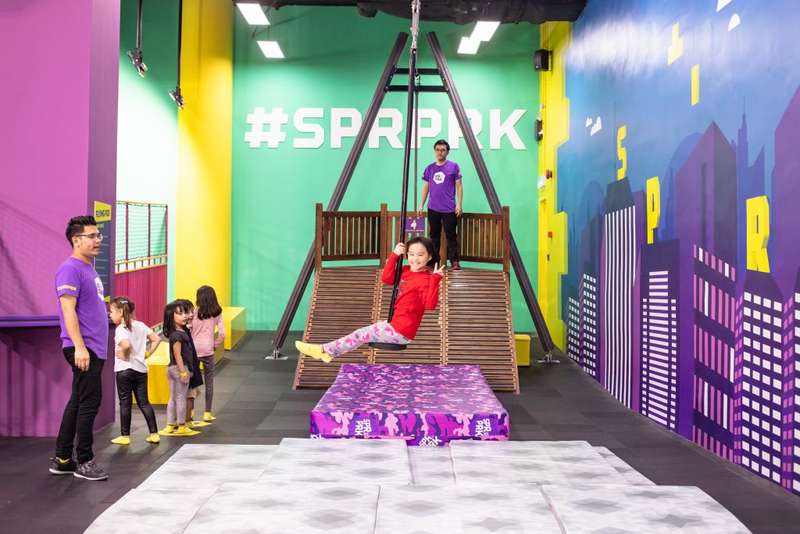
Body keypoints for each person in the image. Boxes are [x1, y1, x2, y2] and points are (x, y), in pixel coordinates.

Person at [296, 236, 444, 361]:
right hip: (394, 324)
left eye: (420, 255)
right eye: (411, 254)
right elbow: (386, 279)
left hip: (402, 330)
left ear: (429, 257)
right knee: (361, 333)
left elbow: (430, 305)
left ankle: (324, 350)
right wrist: (394, 255)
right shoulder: (404, 270)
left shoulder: (426, 279)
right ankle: (328, 353)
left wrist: (435, 280)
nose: (415, 259)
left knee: (360, 334)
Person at [50, 215, 110, 481]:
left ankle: (63, 458)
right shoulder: (70, 269)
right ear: (76, 240)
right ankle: (85, 461)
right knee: (89, 403)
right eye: (92, 236)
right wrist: (80, 347)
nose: (98, 240)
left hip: (92, 346)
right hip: (84, 348)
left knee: (77, 401)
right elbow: (68, 310)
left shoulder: (88, 268)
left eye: (98, 235)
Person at [108, 297, 161, 445]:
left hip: (124, 370)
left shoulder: (121, 329)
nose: (110, 314)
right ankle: (154, 433)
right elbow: (156, 339)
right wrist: (147, 353)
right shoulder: (141, 325)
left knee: (125, 403)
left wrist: (125, 355)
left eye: (112, 311)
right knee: (144, 402)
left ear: (120, 312)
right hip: (140, 369)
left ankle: (125, 436)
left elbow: (126, 345)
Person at [418, 139, 463, 270]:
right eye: (437, 150)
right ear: (434, 151)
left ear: (447, 152)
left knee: (451, 236)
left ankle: (454, 261)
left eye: (443, 150)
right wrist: (421, 204)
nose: (440, 152)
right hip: (433, 208)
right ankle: (434, 262)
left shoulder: (454, 167)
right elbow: (426, 187)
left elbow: (459, 186)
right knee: (434, 236)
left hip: (449, 209)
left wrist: (459, 205)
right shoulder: (429, 168)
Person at [159, 300, 200, 436]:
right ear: (171, 316)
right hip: (179, 368)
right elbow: (178, 355)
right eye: (180, 313)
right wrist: (183, 371)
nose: (184, 316)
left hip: (172, 369)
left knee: (173, 398)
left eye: (185, 313)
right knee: (181, 397)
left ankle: (170, 425)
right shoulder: (178, 335)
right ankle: (181, 425)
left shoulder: (178, 332)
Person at [190, 285, 225, 423]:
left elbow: (188, 329)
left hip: (194, 350)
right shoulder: (217, 313)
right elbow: (222, 334)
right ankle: (207, 413)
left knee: (192, 382)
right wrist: (215, 345)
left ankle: (190, 411)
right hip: (208, 350)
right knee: (209, 382)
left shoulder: (193, 312)